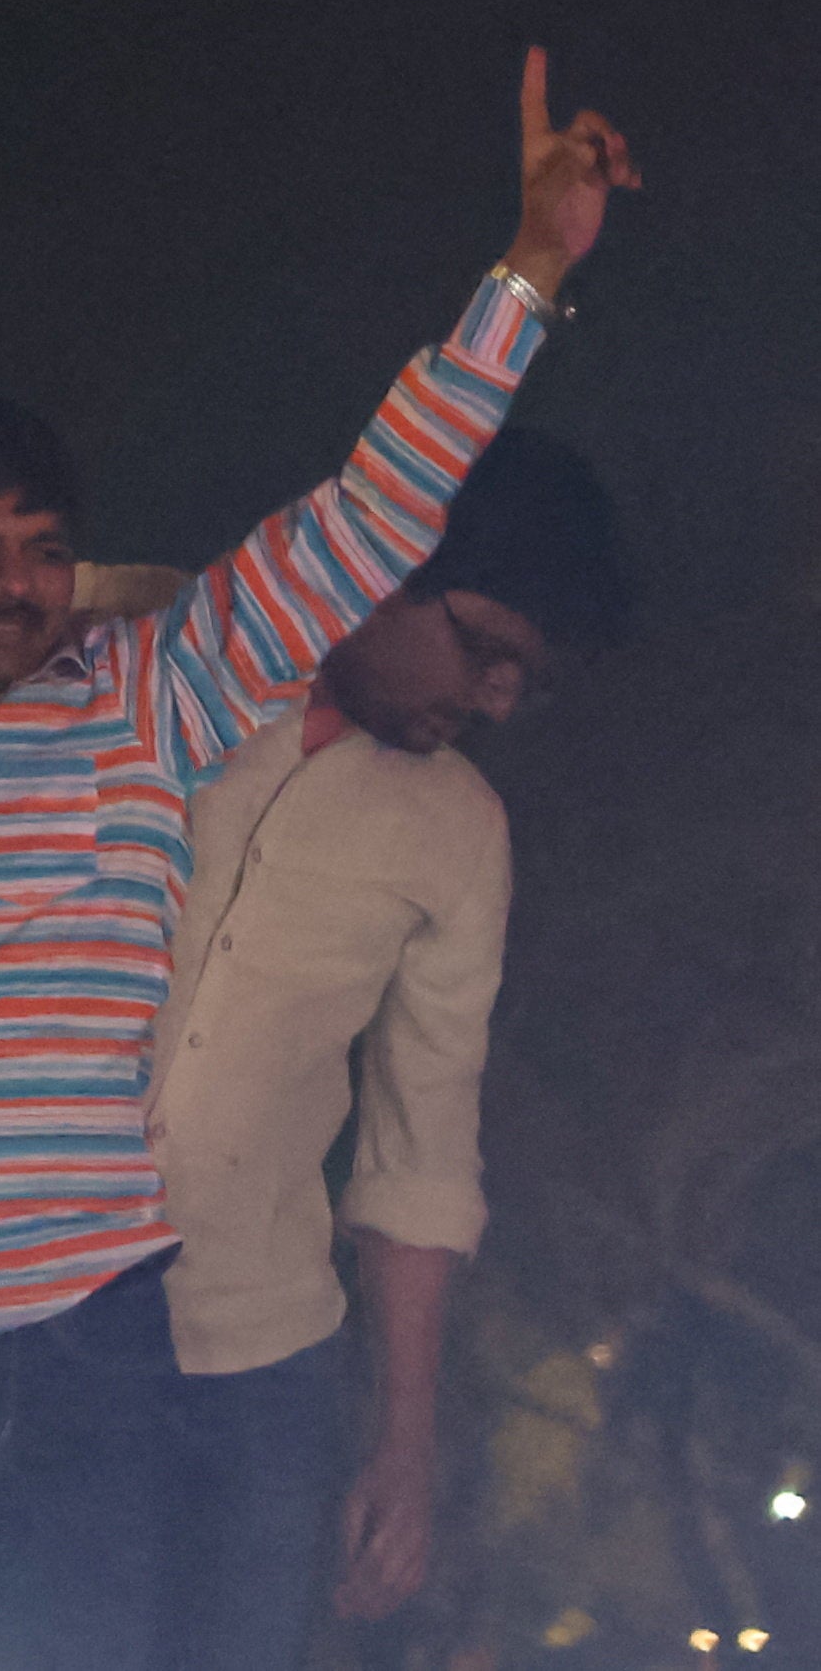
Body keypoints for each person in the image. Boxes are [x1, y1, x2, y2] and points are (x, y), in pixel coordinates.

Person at [0, 59, 635, 1671]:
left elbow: (367, 515)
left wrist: (527, 270)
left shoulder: (160, 700)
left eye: (39, 553)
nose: (13, 587)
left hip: (154, 1343)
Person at [142, 431, 629, 1666]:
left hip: (260, 1361)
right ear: (390, 561)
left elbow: (422, 1147)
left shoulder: (459, 831)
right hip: (25, 1303)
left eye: (532, 679)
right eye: (485, 651)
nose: (498, 700)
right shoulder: (157, 676)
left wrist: (402, 1444)